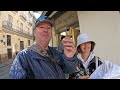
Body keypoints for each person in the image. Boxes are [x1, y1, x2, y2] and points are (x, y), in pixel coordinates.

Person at [9, 16, 78, 79]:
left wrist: (69, 58)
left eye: (48, 28)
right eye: (41, 27)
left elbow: (69, 70)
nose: (46, 30)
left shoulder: (55, 51)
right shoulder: (23, 57)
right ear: (34, 32)